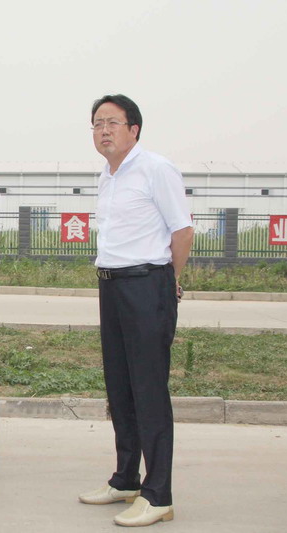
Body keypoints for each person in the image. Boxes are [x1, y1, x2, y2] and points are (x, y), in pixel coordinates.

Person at [78, 94, 194, 527]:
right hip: (111, 286)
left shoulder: (156, 169)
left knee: (148, 390)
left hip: (147, 285)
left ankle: (158, 494)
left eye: (112, 122)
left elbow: (182, 231)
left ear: (134, 129)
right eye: (97, 123)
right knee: (120, 388)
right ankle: (126, 478)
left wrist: (167, 280)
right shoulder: (106, 176)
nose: (103, 130)